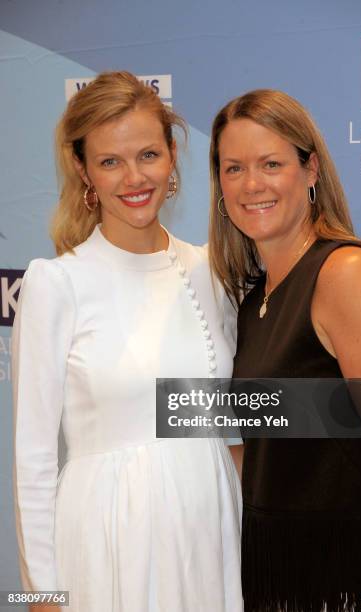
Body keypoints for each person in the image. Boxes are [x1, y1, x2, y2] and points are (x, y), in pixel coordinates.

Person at [12, 71, 243, 612]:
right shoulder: (57, 282)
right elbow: (33, 460)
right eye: (110, 161)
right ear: (82, 170)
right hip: (105, 541)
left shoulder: (213, 269)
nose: (133, 178)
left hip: (208, 532)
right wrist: (40, 596)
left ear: (172, 156)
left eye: (147, 155)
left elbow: (232, 424)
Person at [208, 89, 361, 612]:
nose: (252, 185)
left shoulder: (346, 273)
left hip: (343, 578)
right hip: (273, 572)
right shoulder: (255, 300)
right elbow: (281, 449)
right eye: (234, 168)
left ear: (311, 168)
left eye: (271, 163)